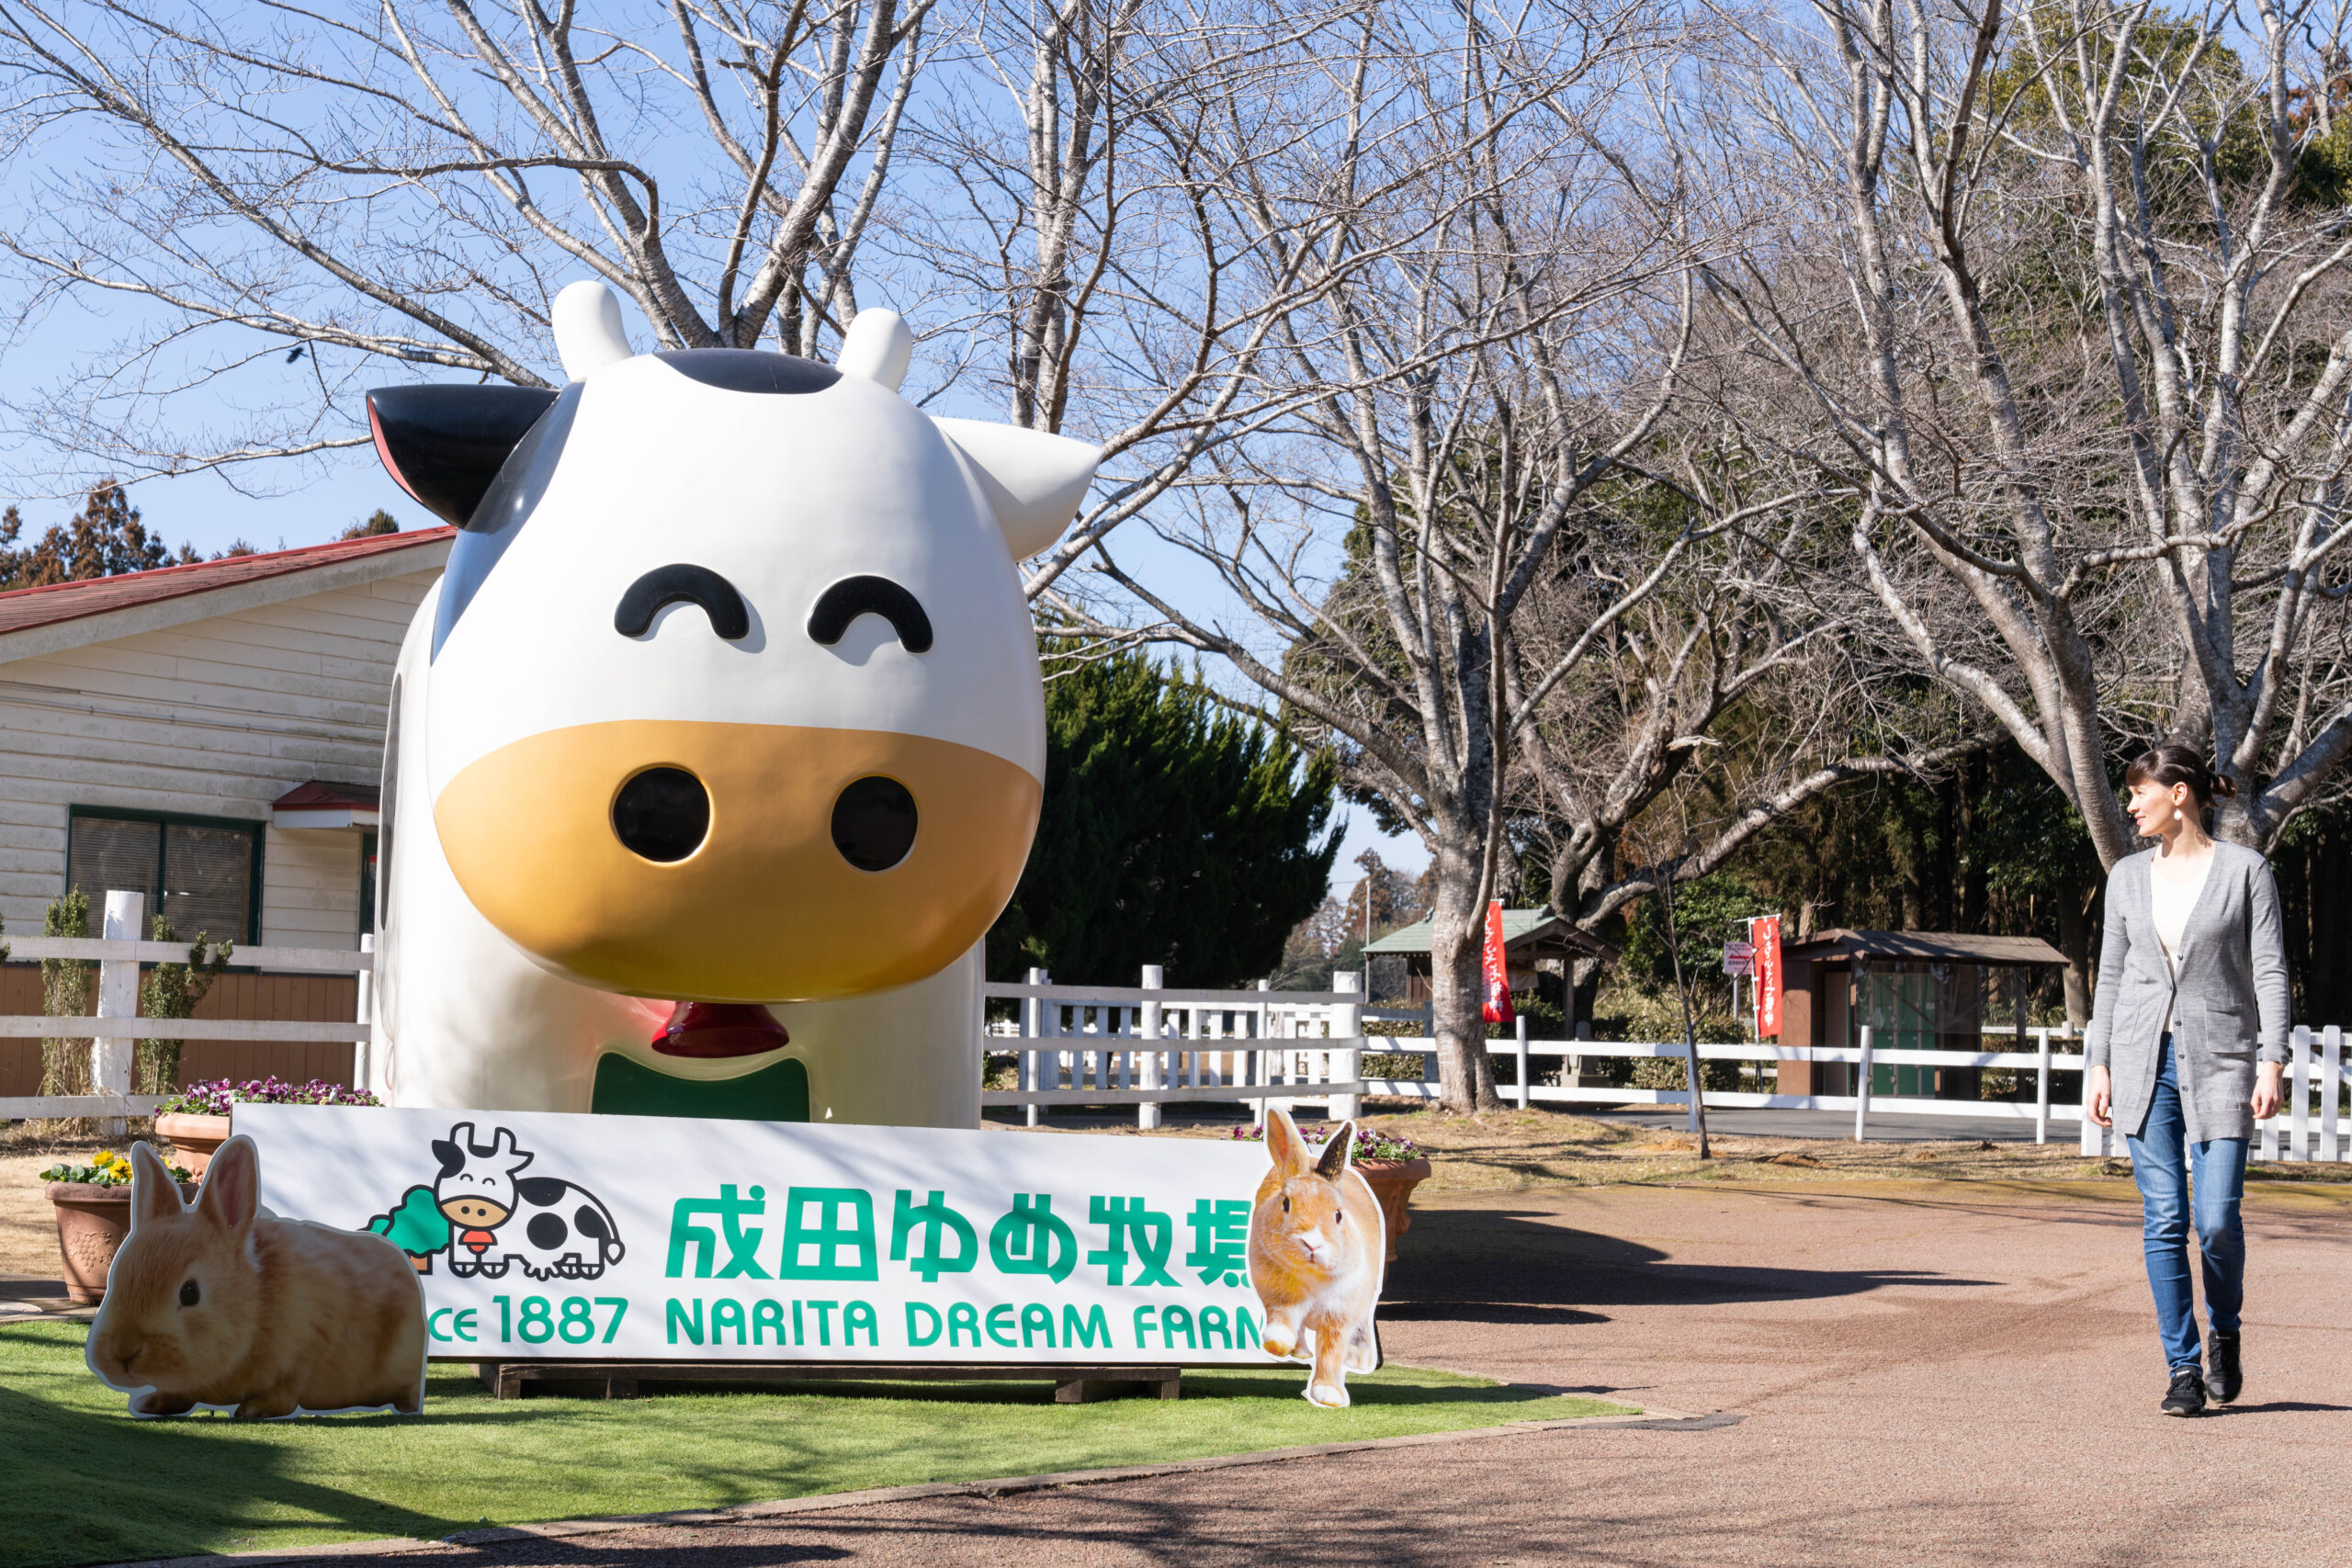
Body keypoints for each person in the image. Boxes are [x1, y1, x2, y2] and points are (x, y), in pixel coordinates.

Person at [2084, 743, 2289, 1416]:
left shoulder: (2246, 871)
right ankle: (2182, 1365)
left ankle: (2223, 1330)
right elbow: (2110, 976)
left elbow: (2268, 971)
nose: (2131, 804)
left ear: (2179, 793)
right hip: (2144, 1063)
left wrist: (2272, 1060)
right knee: (2166, 1218)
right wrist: (2100, 1063)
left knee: (2218, 1219)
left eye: (2140, 791)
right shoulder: (2125, 877)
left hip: (2223, 1060)